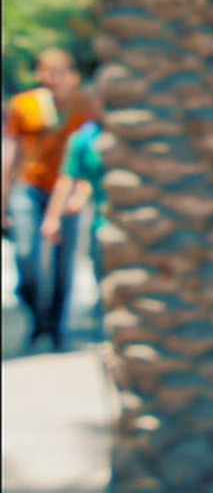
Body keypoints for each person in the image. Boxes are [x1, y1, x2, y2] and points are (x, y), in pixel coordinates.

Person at [2, 48, 92, 352]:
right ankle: (37, 318)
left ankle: (56, 326)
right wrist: (4, 194)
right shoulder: (24, 105)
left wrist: (82, 191)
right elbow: (13, 150)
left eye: (59, 72)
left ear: (73, 76)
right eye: (46, 71)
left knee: (63, 260)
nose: (52, 78)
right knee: (27, 254)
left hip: (67, 190)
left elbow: (90, 151)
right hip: (28, 186)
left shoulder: (84, 105)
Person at [41, 64, 130, 342]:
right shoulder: (83, 139)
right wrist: (53, 217)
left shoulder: (133, 134)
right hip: (103, 222)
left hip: (135, 223)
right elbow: (70, 179)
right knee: (103, 276)